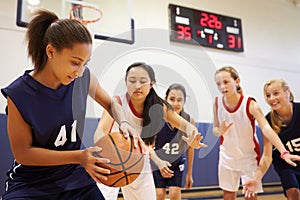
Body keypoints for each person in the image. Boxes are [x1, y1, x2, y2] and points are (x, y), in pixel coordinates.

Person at [0, 9, 137, 200]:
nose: (79, 72)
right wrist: (79, 156)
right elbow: (24, 154)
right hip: (31, 183)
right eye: (75, 63)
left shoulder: (84, 77)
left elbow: (112, 104)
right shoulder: (19, 94)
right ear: (51, 51)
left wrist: (124, 122)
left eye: (84, 63)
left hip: (74, 178)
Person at [93, 62, 205, 200]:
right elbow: (98, 134)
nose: (137, 85)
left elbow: (187, 126)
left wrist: (193, 136)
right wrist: (105, 155)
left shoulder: (159, 106)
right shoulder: (117, 102)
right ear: (126, 83)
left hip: (138, 161)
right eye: (132, 81)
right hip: (111, 161)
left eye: (142, 81)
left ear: (151, 84)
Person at [213, 66, 299, 200]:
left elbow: (266, 129)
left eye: (225, 82)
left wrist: (284, 151)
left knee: (250, 196)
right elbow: (215, 129)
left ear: (237, 81)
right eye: (218, 83)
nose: (222, 86)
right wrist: (219, 131)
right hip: (227, 157)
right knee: (228, 197)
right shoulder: (217, 102)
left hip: (248, 158)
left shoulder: (249, 103)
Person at [243, 79, 300, 200]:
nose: (271, 98)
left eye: (276, 93)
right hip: (285, 165)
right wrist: (256, 178)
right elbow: (267, 156)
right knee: (293, 192)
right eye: (268, 95)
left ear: (287, 93)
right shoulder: (268, 120)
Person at [151, 83, 195, 200]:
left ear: (185, 101)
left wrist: (189, 173)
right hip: (158, 162)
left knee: (175, 194)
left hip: (176, 164)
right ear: (165, 100)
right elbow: (148, 145)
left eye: (179, 100)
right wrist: (158, 162)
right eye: (172, 99)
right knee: (159, 195)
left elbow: (190, 148)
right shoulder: (157, 119)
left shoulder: (189, 120)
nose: (176, 103)